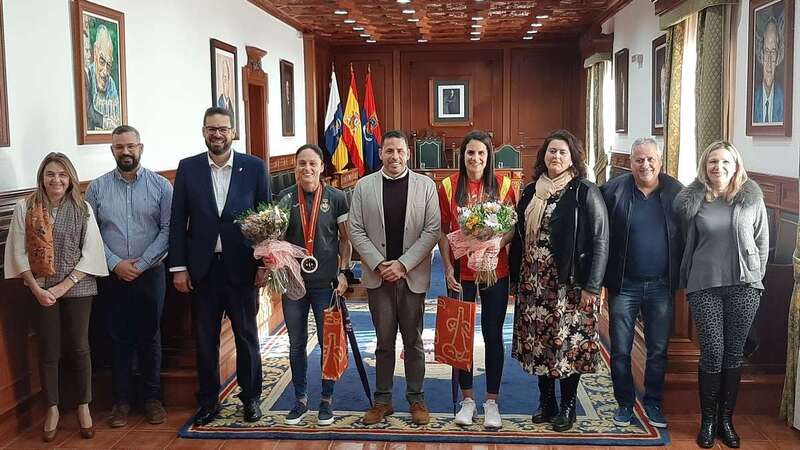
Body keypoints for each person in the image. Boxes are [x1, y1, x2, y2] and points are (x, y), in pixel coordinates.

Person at [168, 107, 271, 426]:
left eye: (223, 129)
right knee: (205, 339)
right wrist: (178, 267)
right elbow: (176, 222)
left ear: (233, 132)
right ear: (203, 131)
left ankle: (251, 398)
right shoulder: (188, 168)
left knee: (246, 336)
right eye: (211, 129)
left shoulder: (254, 168)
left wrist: (265, 262)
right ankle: (209, 401)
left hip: (242, 268)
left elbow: (266, 219)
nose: (217, 134)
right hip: (202, 270)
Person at [3, 153, 108, 442]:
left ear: (70, 177)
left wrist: (64, 286)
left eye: (62, 174)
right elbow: (17, 251)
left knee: (79, 347)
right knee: (49, 350)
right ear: (42, 177)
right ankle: (52, 409)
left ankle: (83, 407)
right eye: (50, 174)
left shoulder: (82, 208)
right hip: (39, 290)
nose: (56, 180)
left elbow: (92, 252)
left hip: (78, 285)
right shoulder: (25, 208)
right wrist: (37, 289)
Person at [509, 129, 609, 432]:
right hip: (534, 283)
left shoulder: (584, 191)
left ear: (572, 158)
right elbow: (516, 236)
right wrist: (516, 279)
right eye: (551, 151)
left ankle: (567, 406)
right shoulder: (530, 191)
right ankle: (546, 402)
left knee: (567, 346)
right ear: (544, 156)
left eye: (562, 152)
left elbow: (600, 240)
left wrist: (593, 285)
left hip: (570, 285)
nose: (556, 157)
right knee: (540, 344)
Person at [674, 141, 768, 448]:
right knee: (712, 352)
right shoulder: (694, 201)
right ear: (705, 166)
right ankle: (708, 420)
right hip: (704, 286)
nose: (719, 167)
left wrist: (755, 277)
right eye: (713, 162)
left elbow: (762, 240)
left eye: (725, 162)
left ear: (736, 165)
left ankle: (726, 420)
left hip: (743, 287)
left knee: (733, 353)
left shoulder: (751, 198)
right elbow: (685, 241)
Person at [348, 129, 441, 425]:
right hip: (379, 278)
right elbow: (355, 230)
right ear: (381, 154)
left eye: (400, 151)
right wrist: (378, 264)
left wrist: (402, 265)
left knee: (413, 340)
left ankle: (416, 399)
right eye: (389, 151)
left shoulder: (426, 186)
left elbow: (432, 230)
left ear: (408, 153)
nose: (395, 157)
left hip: (411, 276)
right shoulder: (363, 187)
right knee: (384, 341)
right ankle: (383, 400)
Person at [85, 125, 172, 427]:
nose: (126, 152)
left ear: (141, 148)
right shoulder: (96, 188)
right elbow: (91, 232)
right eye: (119, 147)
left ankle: (151, 399)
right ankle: (120, 402)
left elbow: (168, 229)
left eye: (130, 146)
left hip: (151, 274)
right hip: (113, 275)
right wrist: (115, 263)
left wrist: (143, 263)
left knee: (150, 336)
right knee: (118, 338)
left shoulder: (161, 186)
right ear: (112, 150)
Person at [600, 138, 683, 429]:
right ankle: (624, 403)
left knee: (658, 350)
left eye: (650, 159)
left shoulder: (677, 193)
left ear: (660, 161)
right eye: (639, 160)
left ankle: (653, 403)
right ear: (630, 162)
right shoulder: (613, 190)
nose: (645, 165)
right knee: (620, 350)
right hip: (624, 285)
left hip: (661, 285)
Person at [437, 130, 516, 429]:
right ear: (463, 155)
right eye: (471, 152)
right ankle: (468, 400)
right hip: (461, 273)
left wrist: (499, 243)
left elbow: (511, 226)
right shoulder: (447, 186)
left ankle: (492, 402)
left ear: (489, 156)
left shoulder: (505, 185)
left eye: (481, 153)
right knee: (462, 336)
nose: (476, 158)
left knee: (493, 335)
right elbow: (442, 231)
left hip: (496, 269)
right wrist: (446, 267)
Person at [277, 144, 351, 426]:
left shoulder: (337, 197)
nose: (307, 169)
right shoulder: (284, 199)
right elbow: (277, 240)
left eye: (312, 164)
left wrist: (343, 272)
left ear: (322, 167)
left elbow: (345, 239)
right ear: (294, 167)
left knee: (327, 343)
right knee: (296, 344)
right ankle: (299, 400)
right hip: (294, 284)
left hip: (326, 285)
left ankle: (326, 401)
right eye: (301, 164)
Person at [85, 24, 121, 131]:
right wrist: (106, 122)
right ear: (95, 53)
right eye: (102, 61)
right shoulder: (87, 76)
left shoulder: (111, 84)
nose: (105, 72)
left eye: (109, 64)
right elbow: (88, 111)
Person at [753, 18, 784, 124]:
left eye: (773, 52)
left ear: (778, 57)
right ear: (761, 55)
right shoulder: (753, 99)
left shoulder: (783, 99)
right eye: (767, 52)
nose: (770, 61)